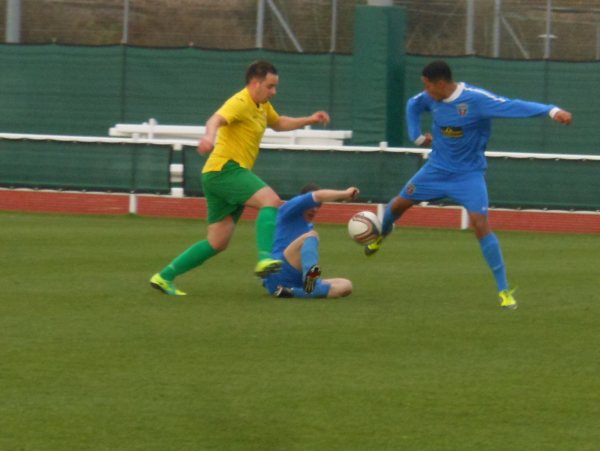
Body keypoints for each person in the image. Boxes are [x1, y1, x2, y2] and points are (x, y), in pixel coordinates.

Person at [367, 60, 573, 310]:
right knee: (397, 206)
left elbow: (513, 105)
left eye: (427, 86)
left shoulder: (476, 100)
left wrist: (552, 111)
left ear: (441, 84)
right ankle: (382, 234)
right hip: (435, 170)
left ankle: (504, 290)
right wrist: (417, 136)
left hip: (468, 175)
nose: (425, 91)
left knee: (480, 224)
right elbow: (413, 105)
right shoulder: (429, 98)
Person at [150, 60, 331, 295]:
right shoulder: (240, 102)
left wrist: (310, 119)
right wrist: (209, 137)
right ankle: (265, 259)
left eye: (275, 86)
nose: (274, 91)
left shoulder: (262, 106)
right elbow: (215, 119)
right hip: (226, 169)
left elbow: (278, 123)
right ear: (255, 84)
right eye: (270, 86)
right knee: (271, 201)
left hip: (216, 175)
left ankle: (164, 277)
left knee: (217, 242)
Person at [263, 183, 359, 299]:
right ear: (303, 201)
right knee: (311, 236)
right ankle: (313, 285)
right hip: (280, 273)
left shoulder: (308, 226)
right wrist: (345, 193)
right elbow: (318, 196)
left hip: (295, 281)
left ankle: (292, 292)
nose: (315, 209)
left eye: (318, 205)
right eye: (312, 204)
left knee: (346, 285)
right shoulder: (290, 209)